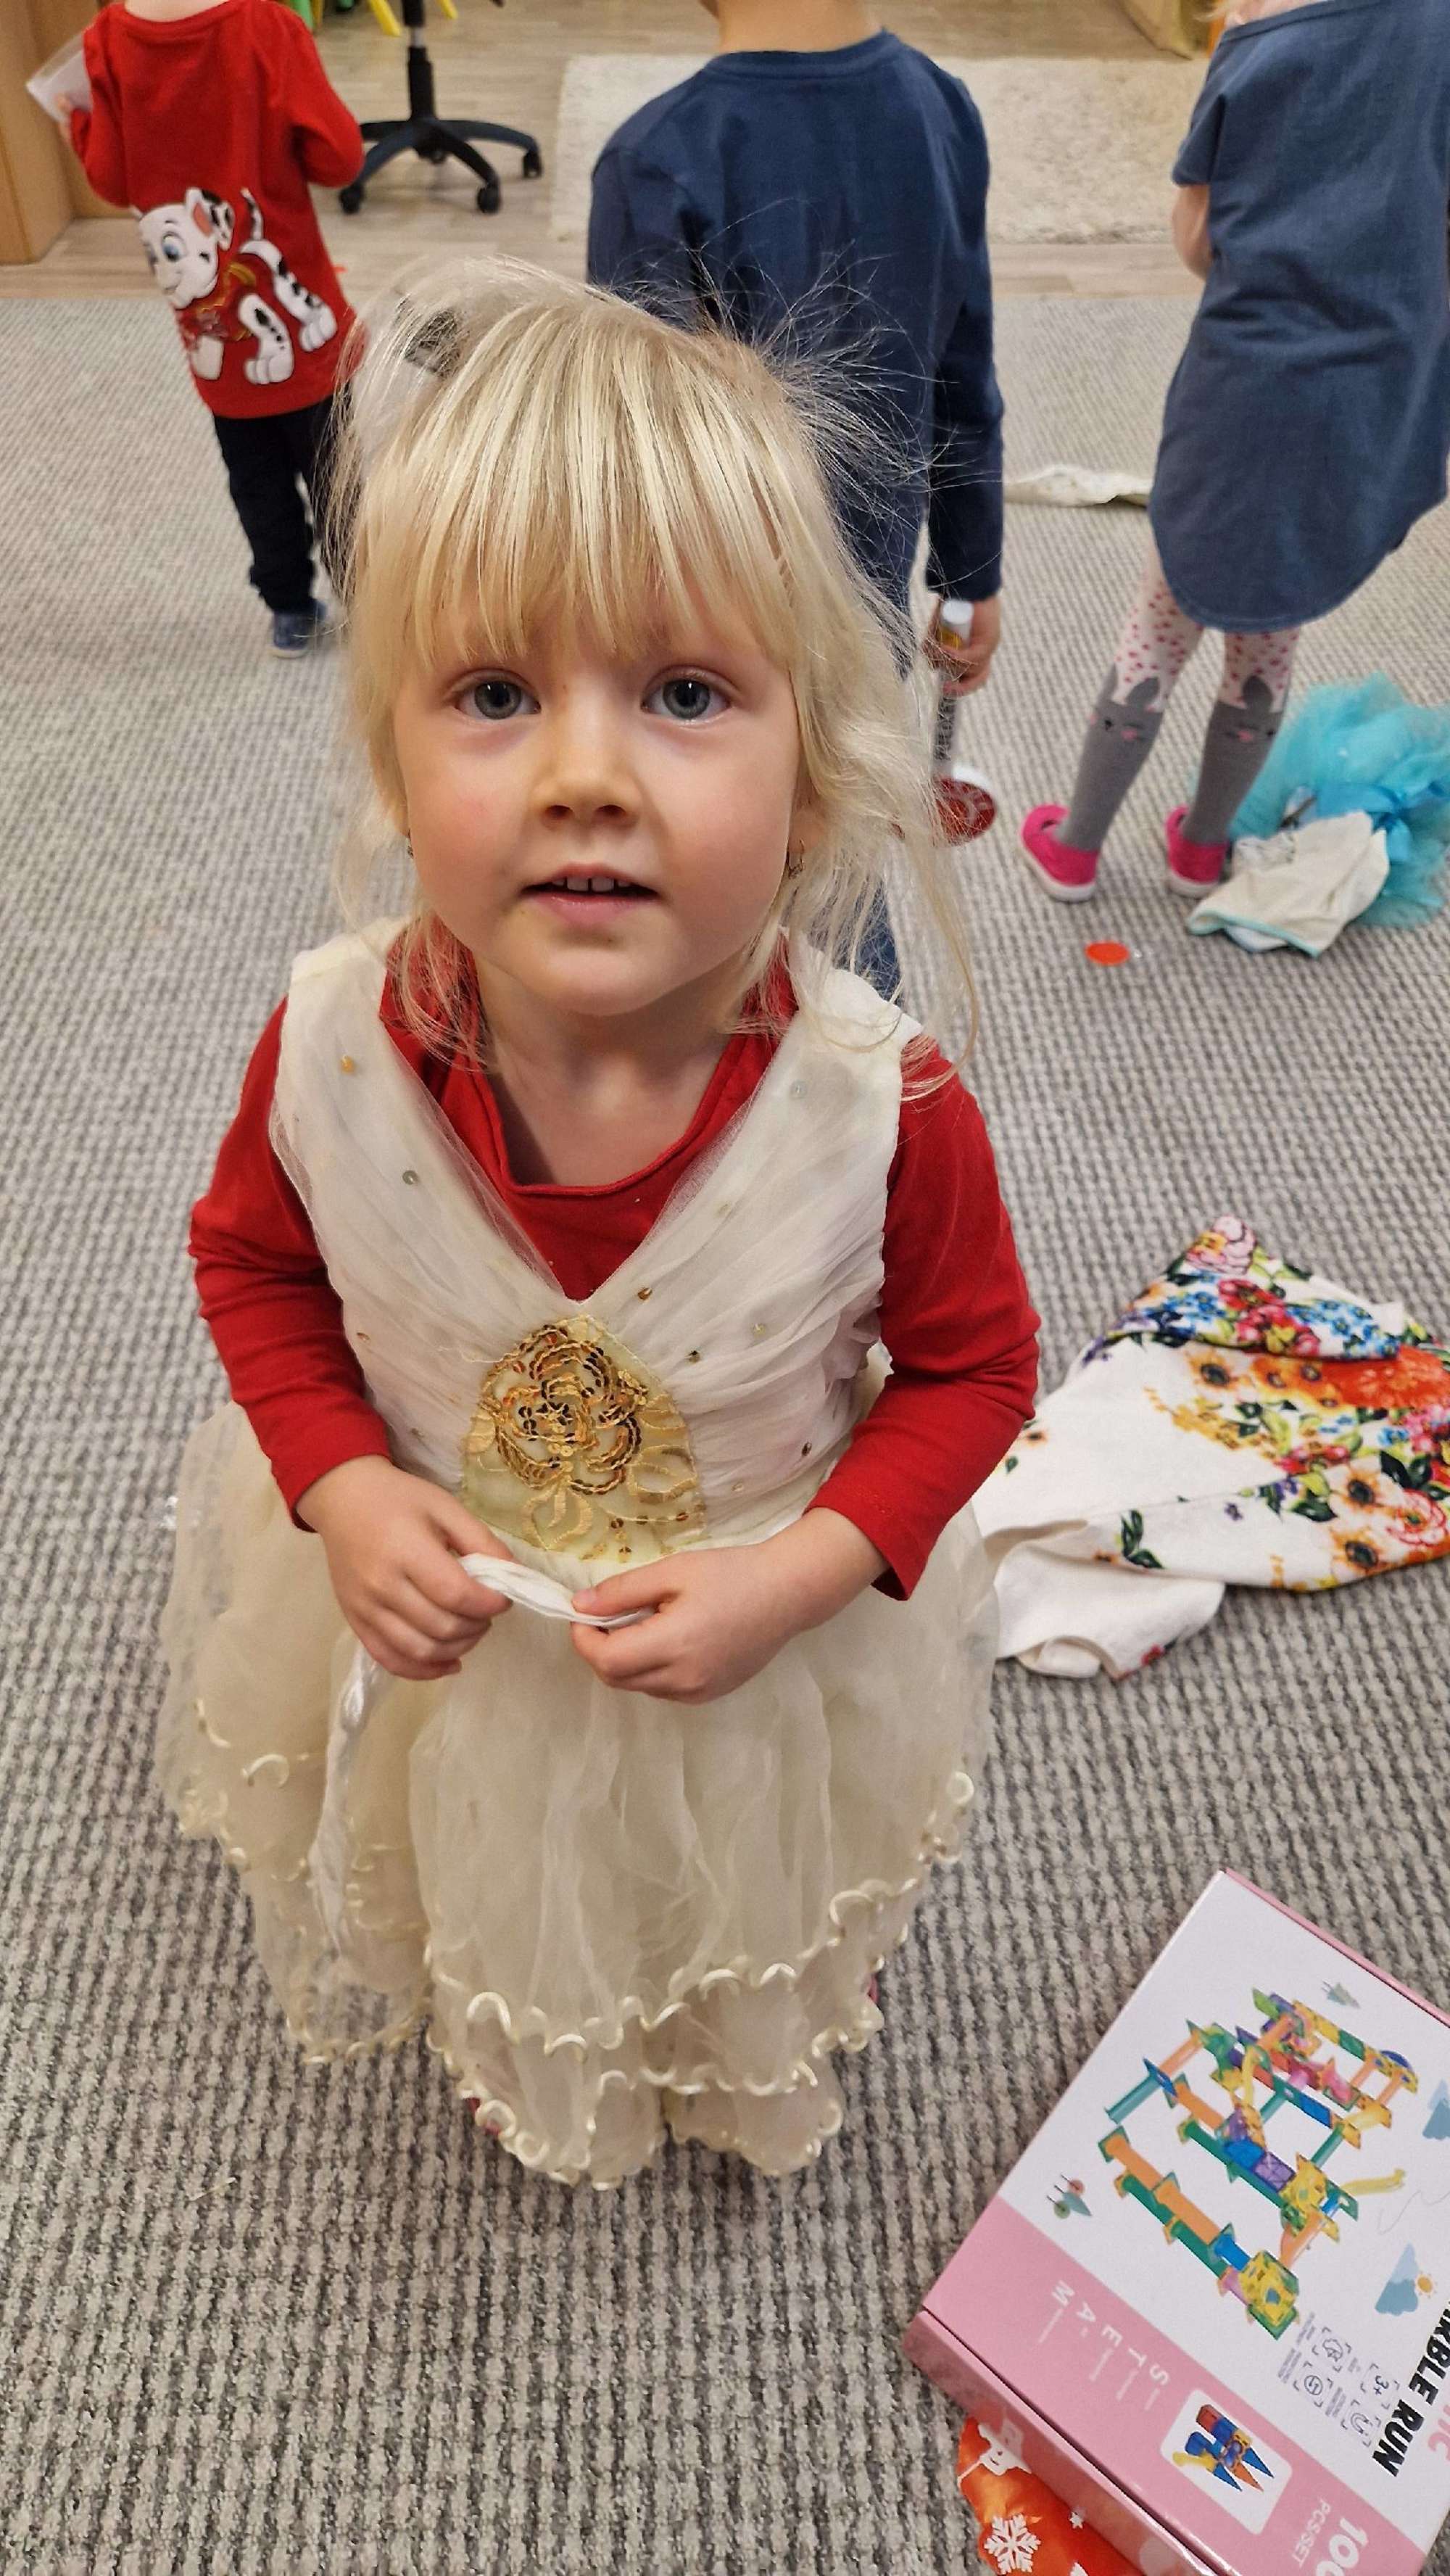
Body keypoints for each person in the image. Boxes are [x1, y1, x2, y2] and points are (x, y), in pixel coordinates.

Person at [160, 262, 1038, 2188]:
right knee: (466, 1843)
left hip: (746, 1624)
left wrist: (798, 1579)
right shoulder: (330, 1048)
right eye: (494, 695)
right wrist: (341, 1486)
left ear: (813, 781)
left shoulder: (878, 1109)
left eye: (684, 694)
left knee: (710, 1876)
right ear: (395, 763)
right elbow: (257, 1266)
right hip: (443, 1612)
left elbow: (976, 1372)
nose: (581, 775)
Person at [587, 0, 1006, 991]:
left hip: (709, 631)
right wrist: (970, 572)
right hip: (868, 603)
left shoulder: (656, 158)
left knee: (767, 907)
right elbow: (963, 367)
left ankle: (856, 1062)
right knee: (830, 845)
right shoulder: (941, 107)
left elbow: (626, 464)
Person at [1021, 0, 1450, 904]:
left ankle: (1075, 847)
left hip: (1243, 396)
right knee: (1268, 633)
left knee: (1160, 624)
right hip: (1362, 399)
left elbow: (1198, 242)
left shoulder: (1259, 37)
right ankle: (1200, 850)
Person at [65, 0, 364, 656]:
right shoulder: (267, 27)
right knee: (341, 477)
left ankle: (289, 609)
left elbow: (113, 181)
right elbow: (339, 157)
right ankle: (373, 605)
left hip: (214, 341)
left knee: (255, 480)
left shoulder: (107, 40)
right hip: (306, 328)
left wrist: (80, 126)